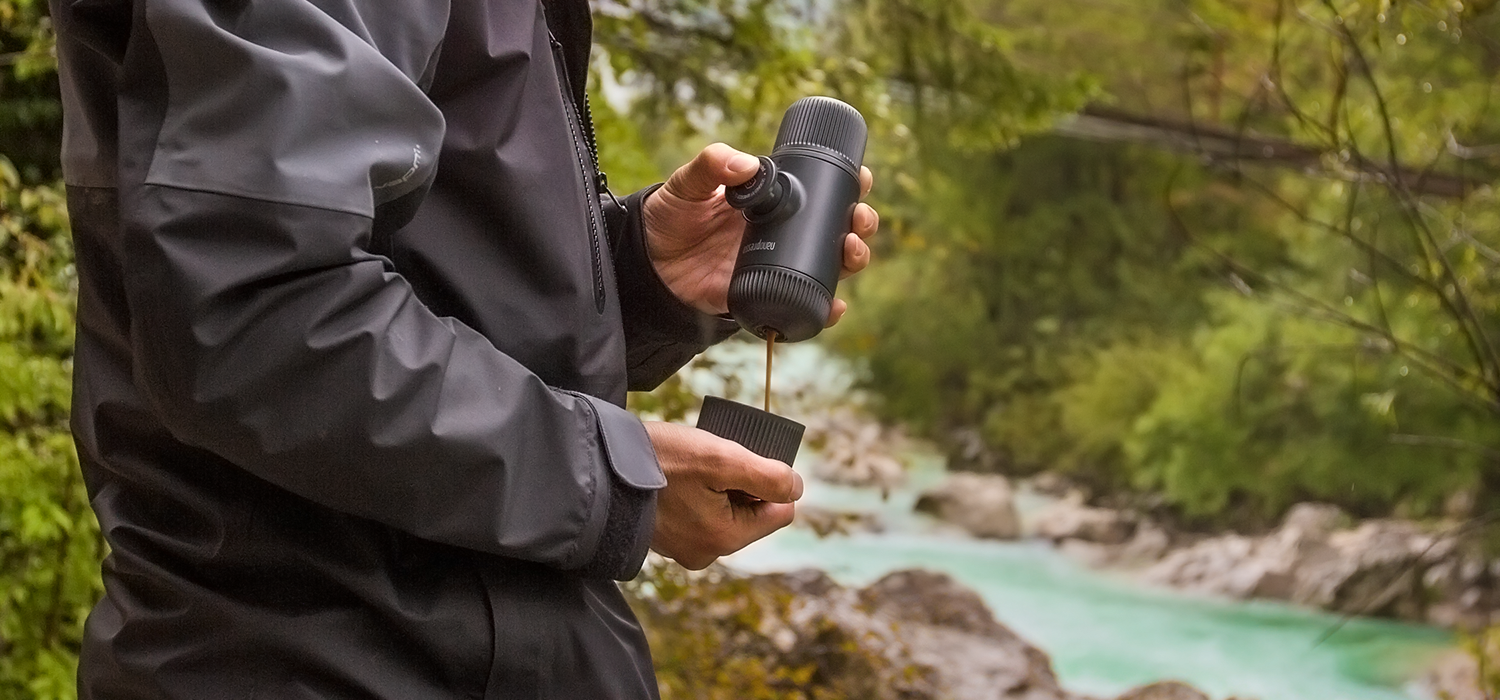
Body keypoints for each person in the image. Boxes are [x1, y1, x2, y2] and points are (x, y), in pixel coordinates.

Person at [50, 0, 878, 697]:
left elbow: (430, 293)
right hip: (318, 656)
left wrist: (645, 278)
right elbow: (254, 311)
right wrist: (617, 484)